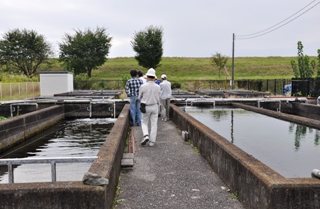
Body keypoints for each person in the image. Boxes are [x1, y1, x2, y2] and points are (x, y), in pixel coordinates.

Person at [139, 68, 161, 147]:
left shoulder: (143, 86)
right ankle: (152, 142)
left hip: (146, 106)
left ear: (147, 76)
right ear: (154, 77)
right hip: (155, 106)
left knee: (144, 122)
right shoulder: (158, 87)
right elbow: (159, 97)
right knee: (154, 124)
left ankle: (146, 135)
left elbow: (139, 97)